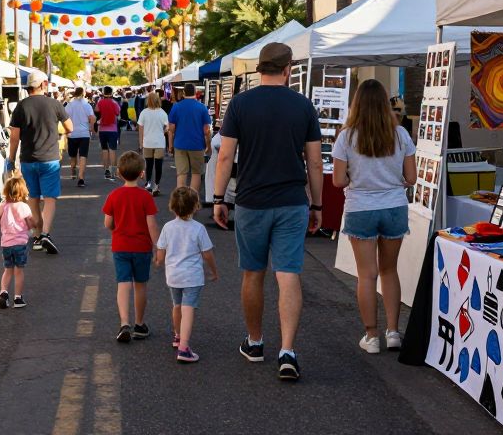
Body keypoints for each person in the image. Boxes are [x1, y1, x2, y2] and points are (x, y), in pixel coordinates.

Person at [212, 42, 323, 382]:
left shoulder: (241, 104)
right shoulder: (303, 106)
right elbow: (315, 161)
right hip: (291, 201)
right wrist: (317, 204)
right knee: (288, 273)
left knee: (253, 273)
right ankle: (287, 351)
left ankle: (255, 341)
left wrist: (219, 198)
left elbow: (225, 157)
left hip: (251, 201)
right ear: (288, 68)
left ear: (260, 68)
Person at [331, 79, 416, 355]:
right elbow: (412, 177)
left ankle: (372, 336)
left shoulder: (347, 136)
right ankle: (393, 331)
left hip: (361, 207)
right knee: (390, 270)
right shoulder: (400, 134)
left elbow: (338, 181)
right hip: (394, 206)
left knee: (366, 275)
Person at [8, 70, 73, 255]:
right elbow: (70, 127)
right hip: (50, 158)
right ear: (44, 84)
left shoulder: (21, 106)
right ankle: (45, 233)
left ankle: (36, 236)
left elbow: (14, 137)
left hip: (28, 159)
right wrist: (56, 131)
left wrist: (11, 160)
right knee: (50, 198)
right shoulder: (54, 104)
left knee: (33, 198)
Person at [155, 187, 218, 363]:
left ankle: (177, 335)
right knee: (188, 308)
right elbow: (207, 254)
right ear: (196, 206)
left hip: (173, 275)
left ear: (172, 207)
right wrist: (213, 271)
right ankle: (184, 347)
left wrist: (159, 261)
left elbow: (161, 250)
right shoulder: (198, 229)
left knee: (177, 305)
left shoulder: (168, 227)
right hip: (192, 277)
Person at [102, 151, 159, 343]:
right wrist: (158, 247)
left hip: (120, 246)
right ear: (142, 173)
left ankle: (124, 323)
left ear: (119, 173)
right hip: (142, 247)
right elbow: (151, 224)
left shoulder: (114, 195)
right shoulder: (146, 197)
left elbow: (107, 223)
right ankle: (140, 324)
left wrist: (115, 228)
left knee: (123, 284)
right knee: (140, 285)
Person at [0, 174, 34, 310]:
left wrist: (2, 224)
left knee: (8, 270)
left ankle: (3, 293)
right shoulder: (23, 207)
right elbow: (30, 223)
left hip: (6, 243)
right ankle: (18, 298)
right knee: (19, 271)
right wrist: (31, 227)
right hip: (20, 243)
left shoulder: (3, 205)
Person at [167, 83, 212, 193]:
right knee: (196, 173)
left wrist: (170, 145)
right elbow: (206, 130)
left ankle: (181, 200)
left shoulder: (176, 106)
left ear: (183, 93)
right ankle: (193, 200)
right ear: (195, 92)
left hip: (180, 144)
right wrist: (208, 146)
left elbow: (171, 129)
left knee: (181, 173)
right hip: (197, 145)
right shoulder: (202, 107)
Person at [138, 92, 169, 196]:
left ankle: (148, 184)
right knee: (158, 165)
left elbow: (140, 129)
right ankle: (156, 185)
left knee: (149, 164)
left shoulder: (144, 112)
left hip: (147, 142)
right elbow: (168, 127)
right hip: (159, 142)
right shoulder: (162, 113)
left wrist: (140, 143)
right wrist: (162, 132)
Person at [64, 87, 96, 187]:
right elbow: (92, 118)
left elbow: (64, 118)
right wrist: (92, 128)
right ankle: (81, 178)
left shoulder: (69, 105)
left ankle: (73, 169)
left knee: (73, 155)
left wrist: (65, 132)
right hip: (84, 134)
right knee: (83, 155)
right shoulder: (87, 105)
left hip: (72, 134)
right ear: (84, 94)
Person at [96, 85, 121, 180]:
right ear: (111, 93)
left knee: (104, 150)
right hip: (113, 129)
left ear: (103, 93)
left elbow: (96, 111)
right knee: (113, 150)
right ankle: (113, 171)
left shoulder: (100, 102)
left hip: (102, 129)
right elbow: (118, 113)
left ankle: (106, 170)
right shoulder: (114, 103)